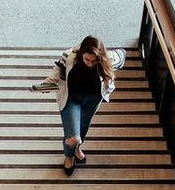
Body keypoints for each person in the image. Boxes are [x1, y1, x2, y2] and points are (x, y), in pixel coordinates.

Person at [32, 35, 125, 175]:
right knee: (73, 137)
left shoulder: (107, 59)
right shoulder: (69, 56)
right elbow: (58, 69)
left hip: (93, 99)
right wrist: (47, 84)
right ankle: (69, 156)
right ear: (81, 53)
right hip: (72, 99)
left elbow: (122, 54)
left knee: (83, 127)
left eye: (94, 61)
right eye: (87, 59)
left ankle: (77, 148)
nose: (90, 63)